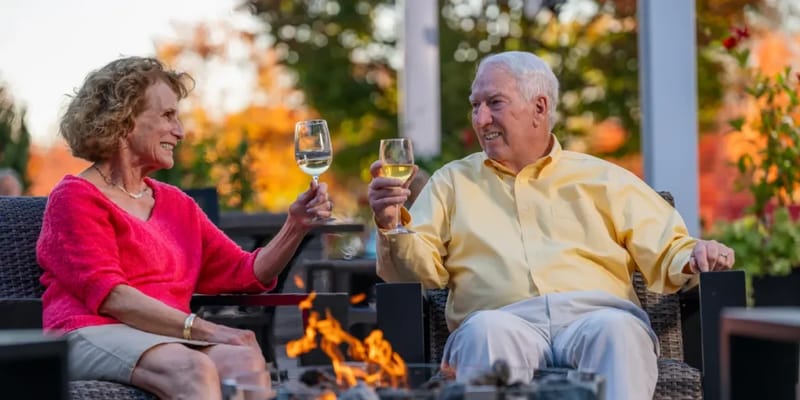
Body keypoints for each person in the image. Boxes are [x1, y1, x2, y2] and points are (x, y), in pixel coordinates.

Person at [367, 51, 735, 400]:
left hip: (596, 318)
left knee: (620, 332)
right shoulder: (452, 183)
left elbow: (670, 248)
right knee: (483, 333)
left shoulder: (602, 178)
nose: (480, 119)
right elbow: (412, 274)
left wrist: (696, 254)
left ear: (539, 108)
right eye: (475, 106)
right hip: (502, 321)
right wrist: (390, 225)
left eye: (494, 103)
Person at [36, 56, 334, 399]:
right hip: (90, 330)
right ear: (123, 121)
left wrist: (295, 226)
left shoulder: (177, 205)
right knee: (192, 368)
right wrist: (205, 329)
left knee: (245, 362)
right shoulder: (76, 197)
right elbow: (112, 296)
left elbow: (246, 271)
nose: (180, 131)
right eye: (167, 116)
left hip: (163, 336)